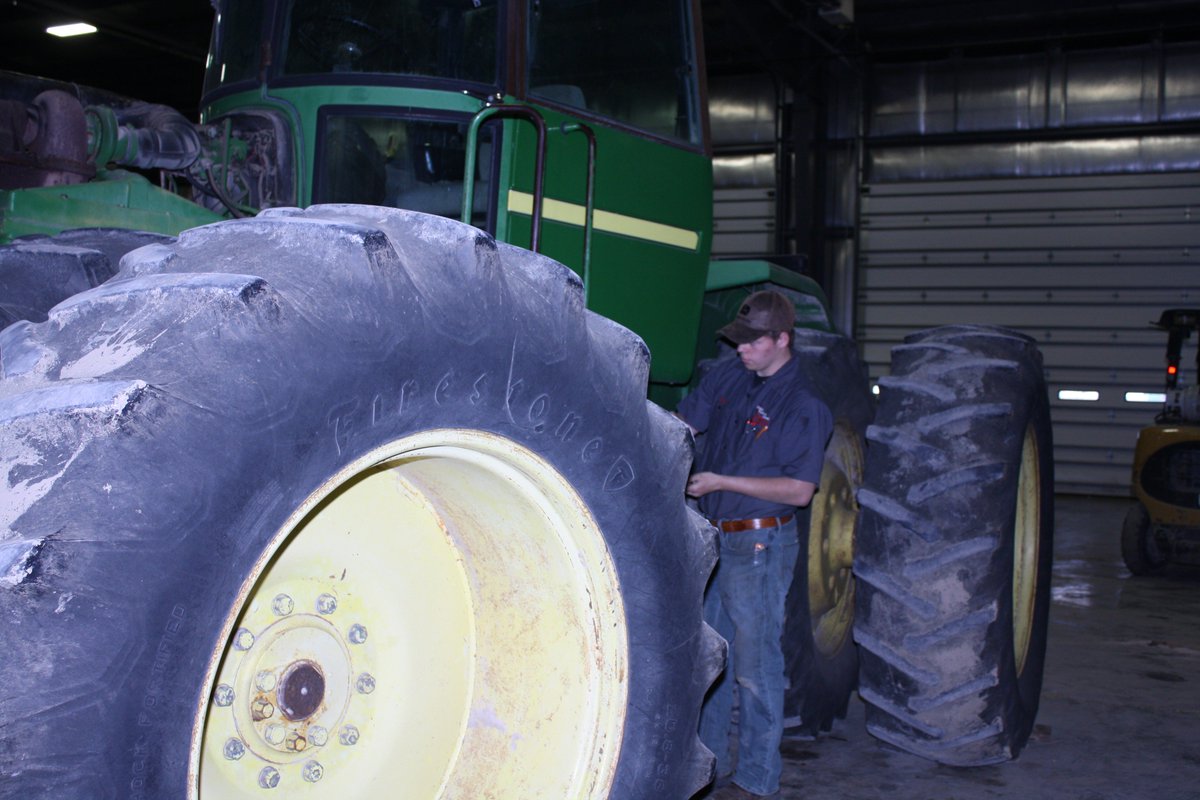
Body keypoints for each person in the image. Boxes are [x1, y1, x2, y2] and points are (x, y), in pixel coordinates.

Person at [676, 290, 833, 800]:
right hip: (716, 541)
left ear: (782, 340)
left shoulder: (803, 405)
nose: (742, 350)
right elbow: (685, 422)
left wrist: (722, 482)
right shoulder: (728, 376)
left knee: (756, 667)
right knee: (713, 662)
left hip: (759, 544)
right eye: (738, 342)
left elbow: (799, 491)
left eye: (752, 343)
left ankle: (759, 780)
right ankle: (712, 767)